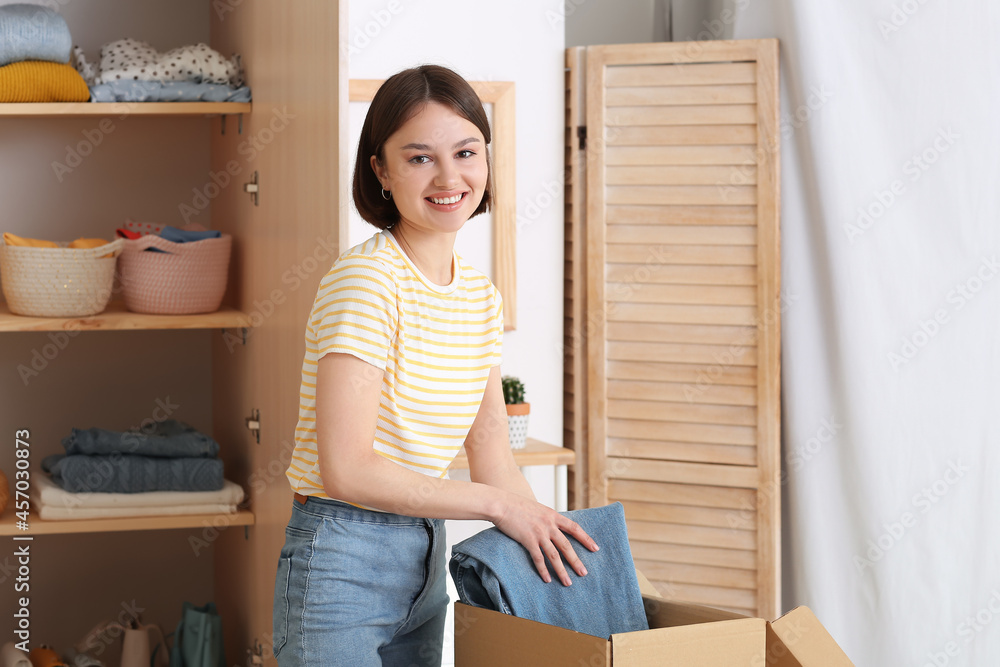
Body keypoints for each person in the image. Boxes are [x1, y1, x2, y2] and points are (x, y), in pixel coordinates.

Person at [271, 64, 598, 666]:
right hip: (343, 554)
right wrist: (498, 507)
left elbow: (493, 451)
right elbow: (347, 469)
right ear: (381, 170)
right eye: (420, 158)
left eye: (466, 151)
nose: (450, 177)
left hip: (425, 551)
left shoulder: (478, 296)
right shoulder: (368, 281)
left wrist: (550, 542)